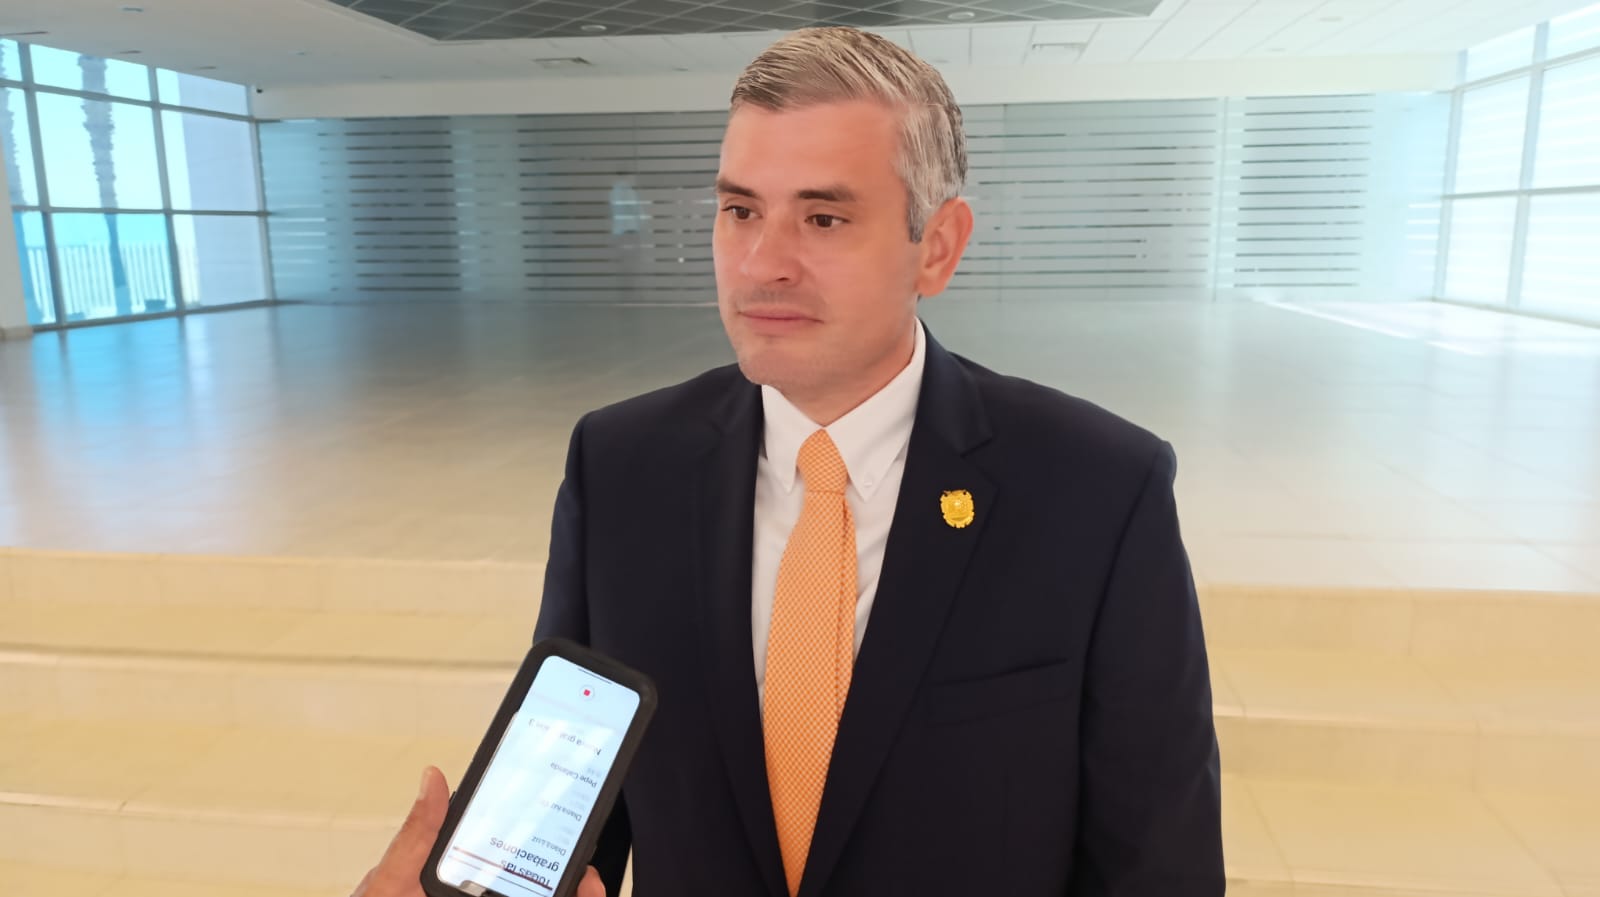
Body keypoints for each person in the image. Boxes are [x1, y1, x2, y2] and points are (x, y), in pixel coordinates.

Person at [355, 26, 1223, 897]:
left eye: (823, 217)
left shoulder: (1097, 492)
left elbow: (1161, 870)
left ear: (938, 246)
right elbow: (562, 816)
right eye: (741, 210)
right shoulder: (620, 469)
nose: (762, 263)